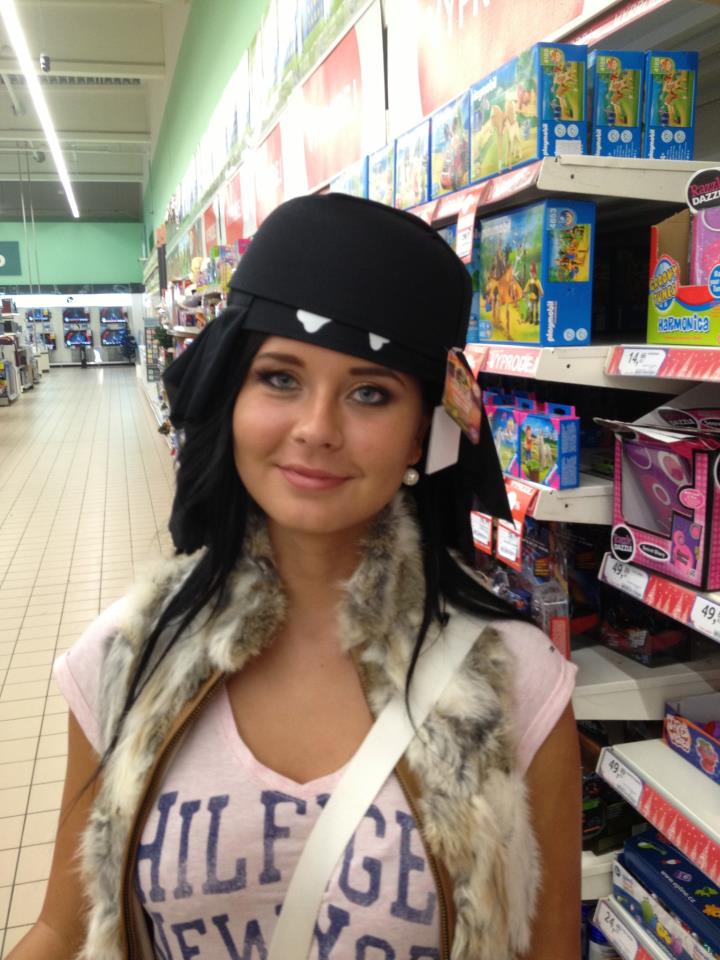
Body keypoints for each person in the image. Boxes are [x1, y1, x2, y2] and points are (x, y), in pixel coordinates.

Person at [9, 194, 580, 960]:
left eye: (369, 392)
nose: (316, 428)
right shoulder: (126, 658)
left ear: (422, 431)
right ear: (231, 393)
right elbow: (63, 928)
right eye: (280, 378)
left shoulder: (517, 683)